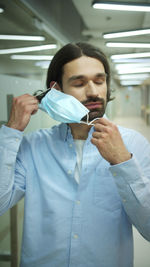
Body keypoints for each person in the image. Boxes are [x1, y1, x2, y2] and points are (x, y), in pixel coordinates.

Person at [0, 42, 150, 267]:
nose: (93, 91)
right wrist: (11, 131)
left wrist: (122, 162)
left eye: (100, 81)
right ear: (57, 90)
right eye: (79, 83)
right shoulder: (33, 146)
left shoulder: (133, 144)